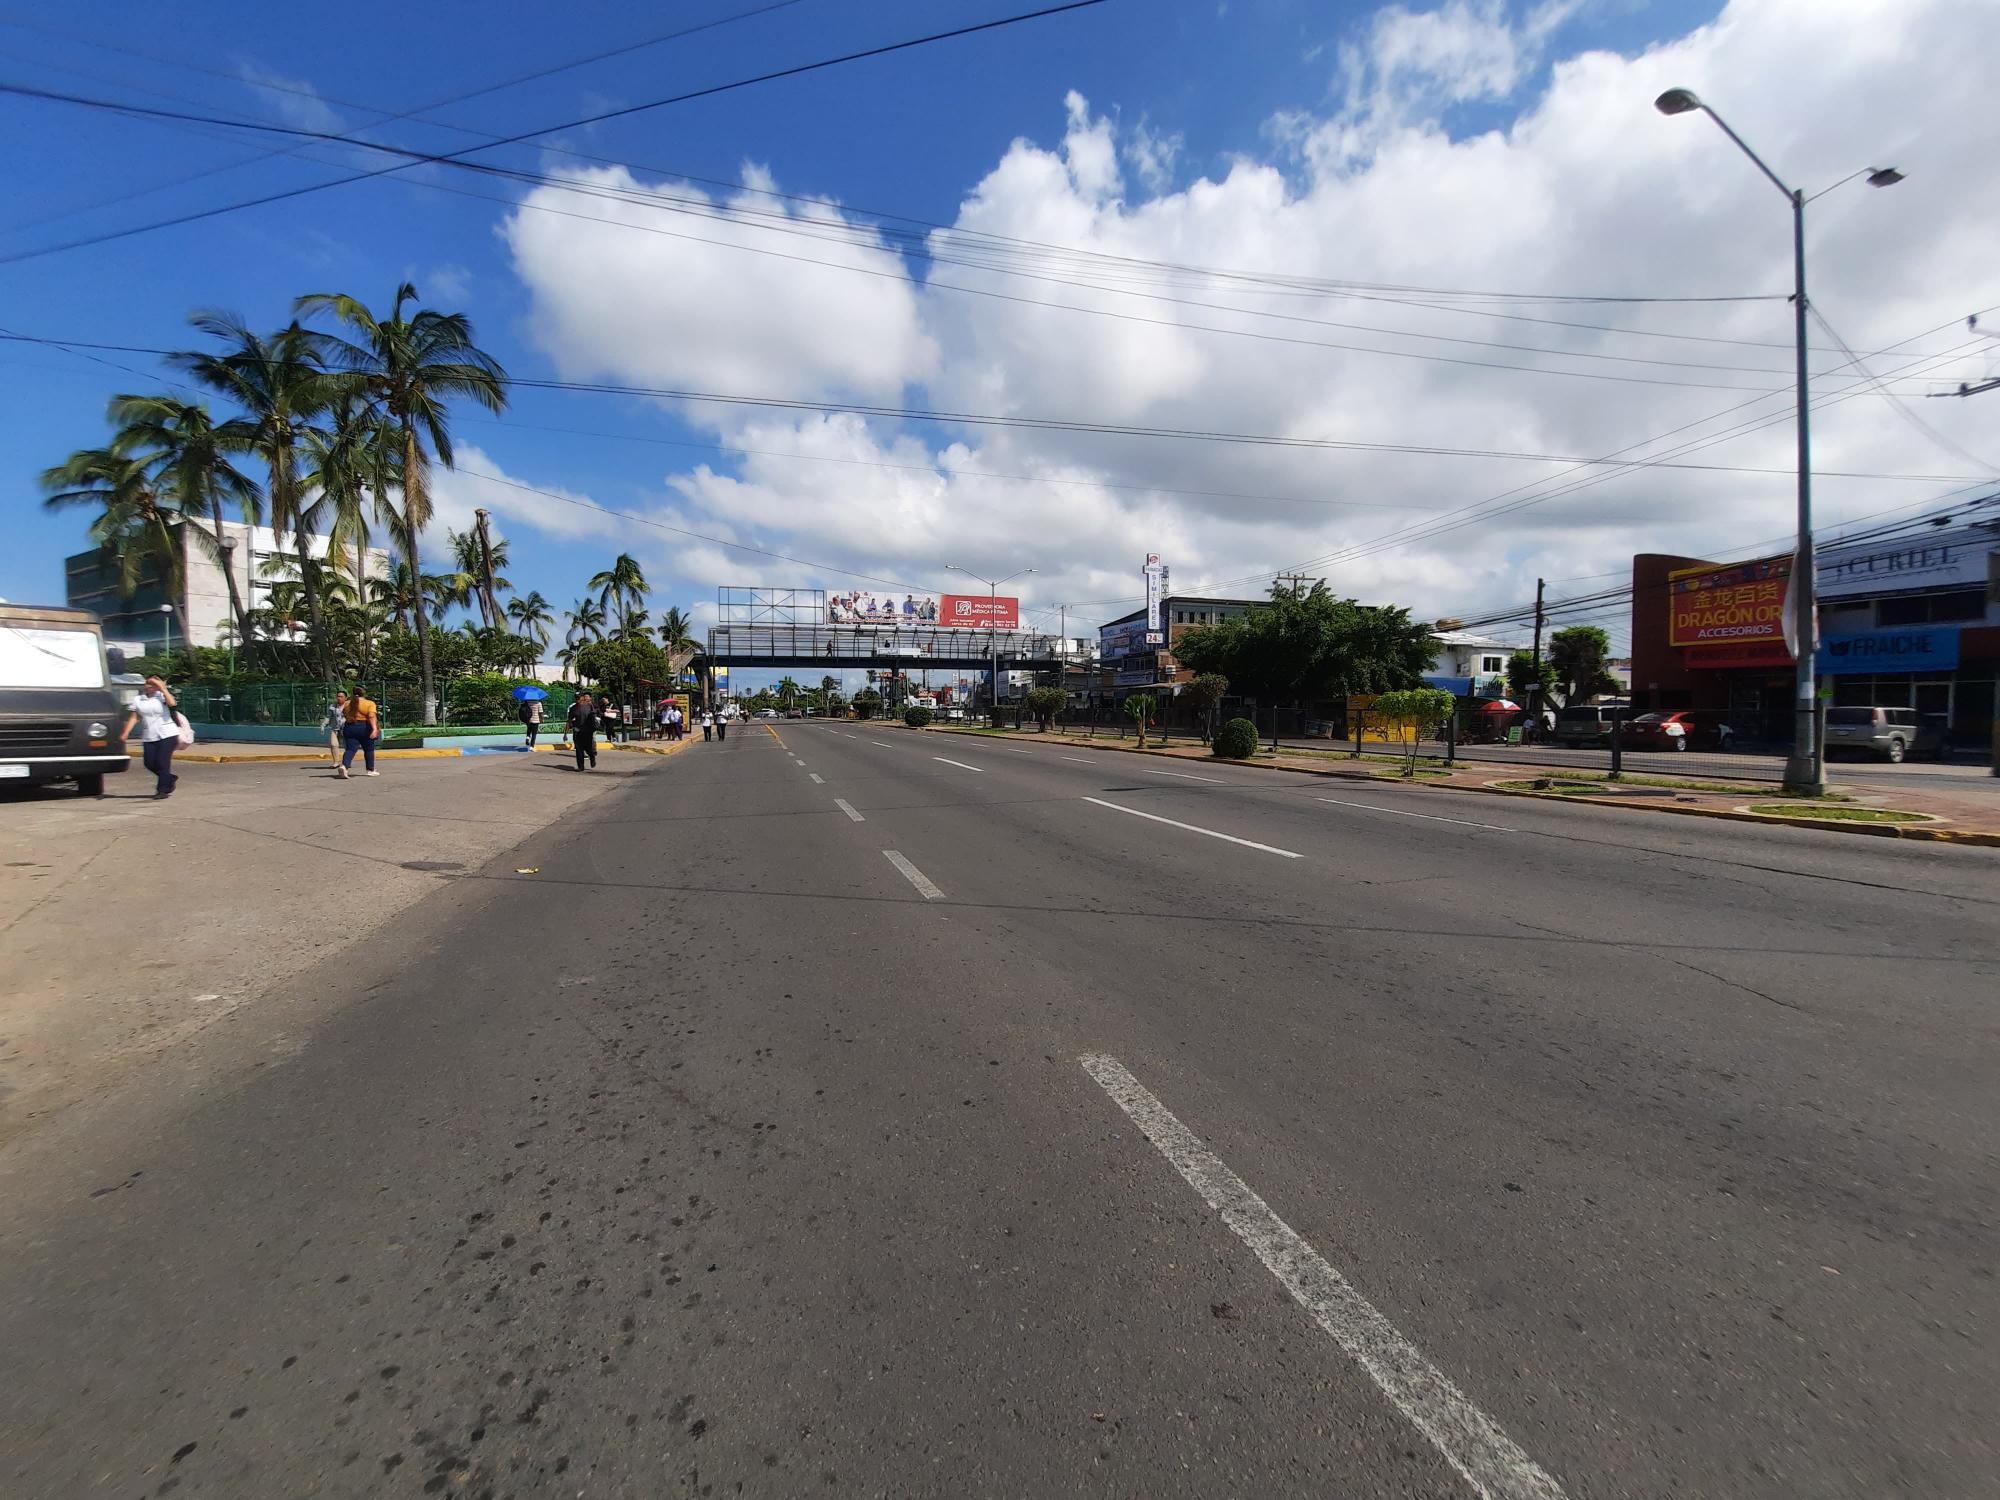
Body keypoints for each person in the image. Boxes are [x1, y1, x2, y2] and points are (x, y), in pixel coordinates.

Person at [121, 675, 182, 799]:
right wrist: (125, 733)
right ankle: (169, 778)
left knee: (162, 762)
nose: (150, 686)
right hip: (149, 734)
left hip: (167, 733)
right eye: (148, 683)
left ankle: (162, 790)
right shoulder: (139, 699)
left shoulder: (162, 697)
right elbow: (134, 717)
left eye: (153, 684)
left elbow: (172, 704)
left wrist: (163, 689)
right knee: (149, 762)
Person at [337, 687, 380, 778]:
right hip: (364, 727)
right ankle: (370, 770)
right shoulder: (369, 703)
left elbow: (344, 713)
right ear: (364, 693)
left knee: (350, 749)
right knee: (368, 749)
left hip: (349, 727)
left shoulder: (347, 703)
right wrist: (374, 729)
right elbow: (372, 716)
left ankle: (344, 766)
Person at [567, 691, 600, 771]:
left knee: (588, 748)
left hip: (588, 731)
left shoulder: (589, 706)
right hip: (578, 731)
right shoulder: (573, 708)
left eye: (580, 697)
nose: (578, 699)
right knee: (579, 749)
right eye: (577, 698)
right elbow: (569, 720)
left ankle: (592, 757)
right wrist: (569, 728)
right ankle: (580, 766)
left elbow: (595, 714)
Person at [321, 690, 348, 761]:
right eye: (338, 696)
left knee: (348, 746)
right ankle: (336, 762)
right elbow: (328, 716)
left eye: (341, 697)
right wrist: (323, 725)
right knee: (333, 744)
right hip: (335, 728)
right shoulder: (333, 706)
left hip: (347, 728)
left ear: (345, 698)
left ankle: (347, 762)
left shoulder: (349, 705)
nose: (339, 698)